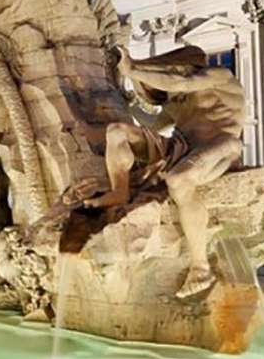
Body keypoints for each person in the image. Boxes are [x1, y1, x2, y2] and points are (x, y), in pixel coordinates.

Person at [85, 46, 244, 299]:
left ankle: (201, 267)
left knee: (180, 180)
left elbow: (183, 82)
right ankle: (119, 191)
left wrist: (133, 69)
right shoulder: (177, 102)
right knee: (116, 131)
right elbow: (153, 125)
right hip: (182, 147)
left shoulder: (219, 75)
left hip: (221, 145)